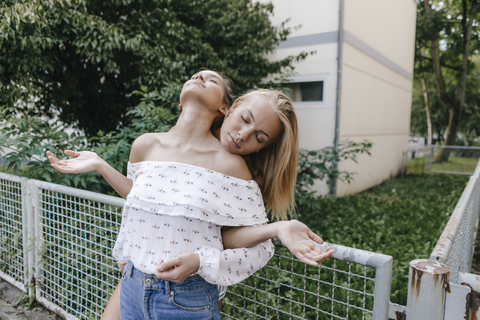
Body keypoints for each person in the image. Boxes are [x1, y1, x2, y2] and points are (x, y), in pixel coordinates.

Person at [47, 70, 334, 319]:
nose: (244, 135)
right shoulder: (144, 145)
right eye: (245, 119)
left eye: (259, 137)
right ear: (232, 108)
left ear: (223, 106)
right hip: (133, 280)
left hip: (186, 296)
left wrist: (278, 228)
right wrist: (100, 165)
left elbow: (232, 238)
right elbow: (143, 201)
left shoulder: (233, 168)